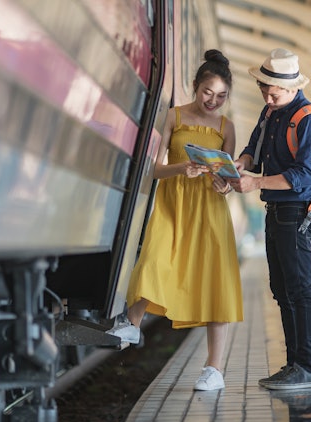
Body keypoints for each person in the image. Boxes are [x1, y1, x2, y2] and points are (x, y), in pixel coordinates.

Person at [108, 49, 244, 391]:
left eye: (221, 96)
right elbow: (152, 169)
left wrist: (222, 183)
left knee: (215, 282)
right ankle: (132, 322)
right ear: (195, 86)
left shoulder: (227, 128)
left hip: (210, 209)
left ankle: (214, 370)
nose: (213, 101)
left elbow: (229, 182)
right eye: (207, 93)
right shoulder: (173, 117)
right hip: (173, 203)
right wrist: (182, 167)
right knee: (156, 257)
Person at [228, 48, 311, 390]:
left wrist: (255, 182)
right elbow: (254, 149)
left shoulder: (310, 119)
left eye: (275, 92)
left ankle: (307, 368)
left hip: (296, 213)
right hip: (275, 211)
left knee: (300, 289)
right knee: (281, 289)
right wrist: (239, 165)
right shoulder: (270, 111)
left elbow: (303, 174)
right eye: (264, 90)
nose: (268, 98)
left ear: (293, 88)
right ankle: (293, 365)